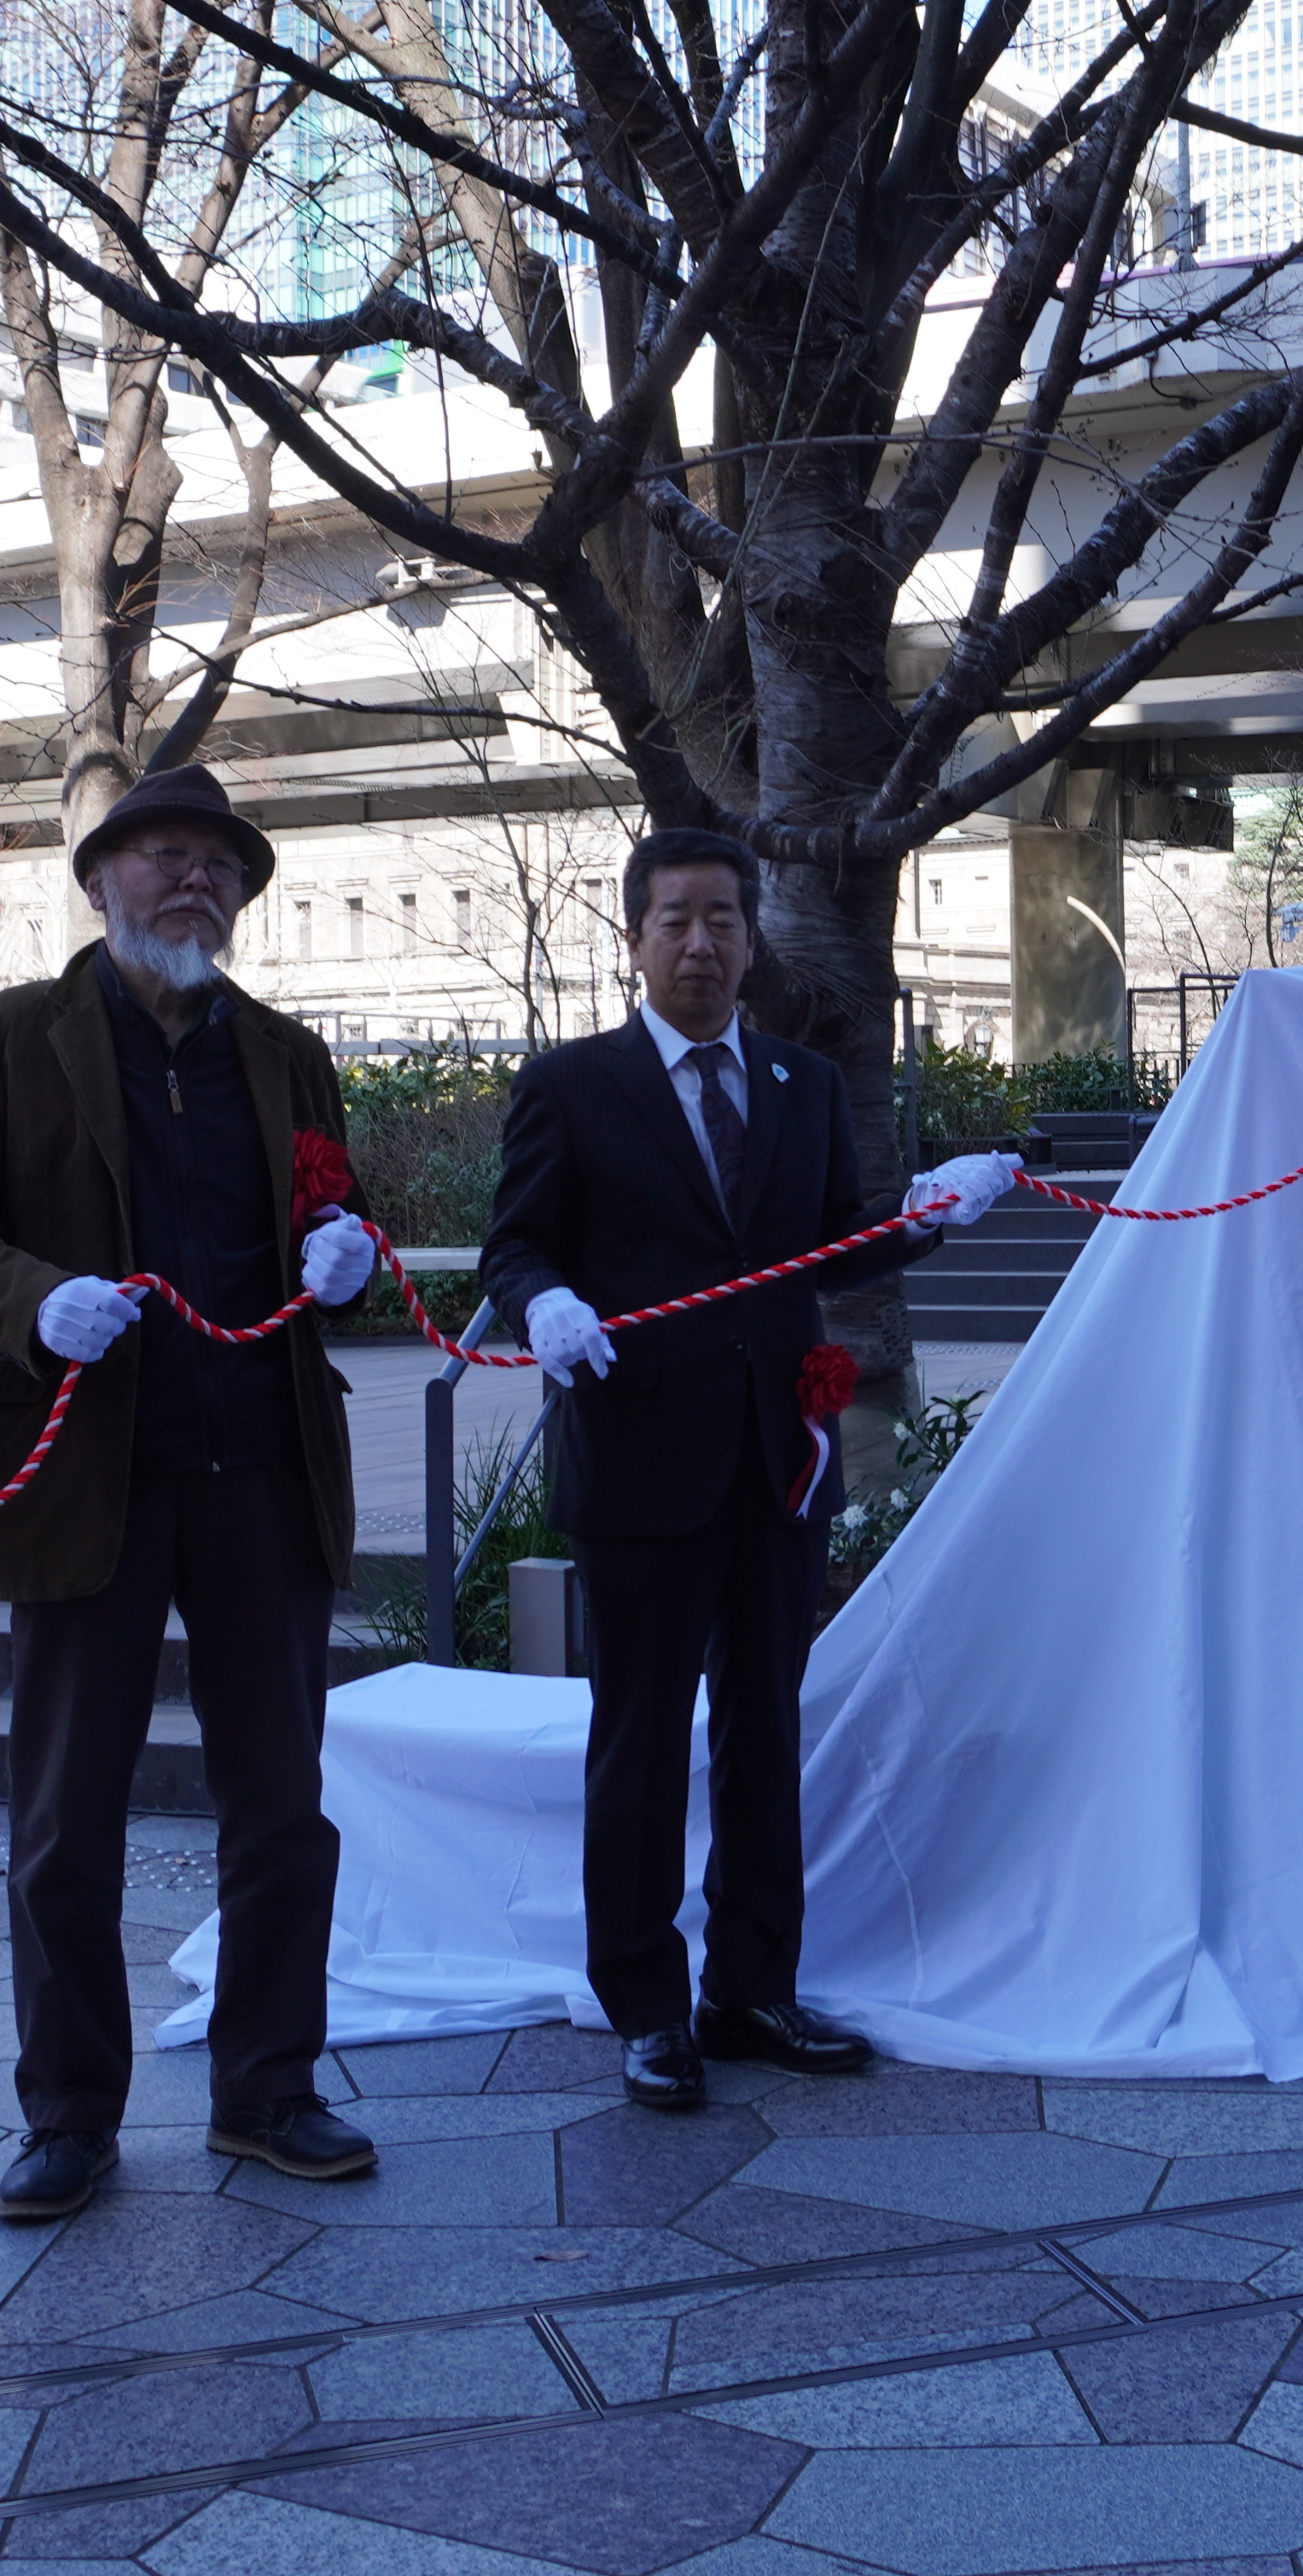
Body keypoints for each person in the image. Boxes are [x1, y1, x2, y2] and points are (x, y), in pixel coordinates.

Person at [0, 761, 387, 2220]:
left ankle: (269, 2085)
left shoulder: (290, 1052)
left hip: (262, 1461)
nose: (195, 882)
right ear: (101, 880)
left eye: (218, 865)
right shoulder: (7, 1039)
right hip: (85, 1471)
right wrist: (37, 1301)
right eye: (164, 857)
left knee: (282, 1807)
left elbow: (332, 1200)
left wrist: (348, 1244)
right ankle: (67, 2111)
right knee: (68, 1813)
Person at [479, 827, 1017, 2111]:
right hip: (639, 1460)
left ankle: (752, 1988)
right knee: (643, 1741)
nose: (703, 943)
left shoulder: (799, 1085)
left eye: (724, 920)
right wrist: (545, 1305)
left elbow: (832, 1252)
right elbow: (515, 1248)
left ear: (751, 936)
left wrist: (926, 1218)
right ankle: (648, 2005)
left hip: (781, 1461)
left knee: (768, 1733)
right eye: (677, 921)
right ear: (636, 940)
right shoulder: (573, 1086)